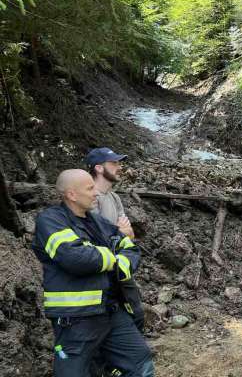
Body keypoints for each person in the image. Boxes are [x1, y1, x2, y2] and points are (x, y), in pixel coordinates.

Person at [32, 169, 153, 377]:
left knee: (139, 362)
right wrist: (112, 257)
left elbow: (130, 248)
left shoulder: (97, 222)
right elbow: (75, 258)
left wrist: (110, 260)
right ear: (71, 194)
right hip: (75, 319)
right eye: (90, 188)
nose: (96, 193)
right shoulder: (50, 220)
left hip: (111, 312)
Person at [85, 147, 144, 331]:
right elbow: (95, 236)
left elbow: (129, 234)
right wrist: (119, 233)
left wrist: (120, 233)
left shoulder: (115, 198)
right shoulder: (89, 199)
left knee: (137, 314)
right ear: (99, 168)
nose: (119, 167)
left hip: (121, 268)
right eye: (114, 163)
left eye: (119, 162)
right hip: (101, 273)